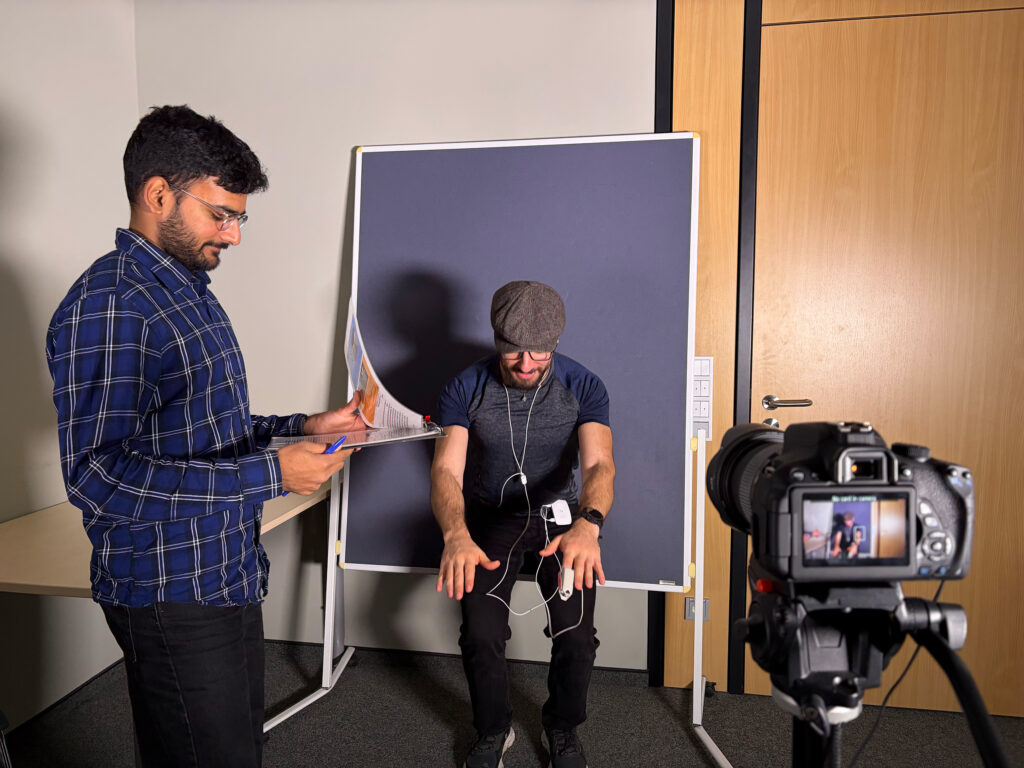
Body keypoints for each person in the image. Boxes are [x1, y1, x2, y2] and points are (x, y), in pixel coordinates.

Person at [45, 105, 362, 768]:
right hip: (170, 590)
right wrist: (275, 475)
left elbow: (201, 425)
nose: (235, 235)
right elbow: (98, 477)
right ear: (158, 195)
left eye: (240, 217)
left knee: (225, 749)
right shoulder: (111, 302)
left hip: (225, 570)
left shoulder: (187, 287)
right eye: (222, 214)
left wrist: (302, 427)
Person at [430, 281, 615, 768]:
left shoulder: (584, 385)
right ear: (496, 340)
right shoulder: (465, 386)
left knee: (576, 635)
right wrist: (456, 535)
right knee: (481, 632)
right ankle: (494, 730)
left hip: (563, 522)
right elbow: (446, 469)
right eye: (515, 355)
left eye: (540, 354)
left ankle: (562, 728)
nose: (528, 365)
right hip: (492, 518)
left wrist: (589, 524)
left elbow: (599, 466)